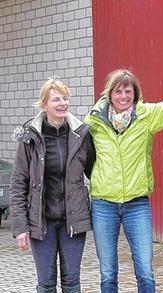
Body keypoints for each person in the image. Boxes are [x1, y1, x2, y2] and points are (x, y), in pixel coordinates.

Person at [84, 69, 163, 293]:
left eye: (128, 91)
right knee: (107, 273)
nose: (123, 96)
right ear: (109, 94)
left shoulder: (147, 116)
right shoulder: (94, 122)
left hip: (137, 205)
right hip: (103, 205)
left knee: (145, 271)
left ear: (135, 94)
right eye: (118, 91)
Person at [9, 77, 96, 293]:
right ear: (44, 105)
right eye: (56, 99)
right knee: (46, 284)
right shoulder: (30, 139)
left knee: (72, 282)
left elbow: (96, 172)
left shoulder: (81, 135)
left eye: (65, 98)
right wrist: (20, 227)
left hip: (73, 221)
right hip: (42, 223)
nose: (62, 103)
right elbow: (18, 184)